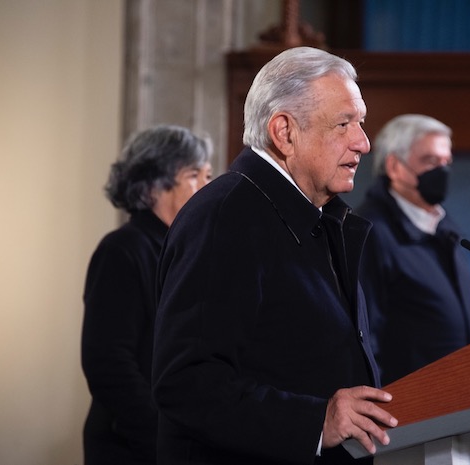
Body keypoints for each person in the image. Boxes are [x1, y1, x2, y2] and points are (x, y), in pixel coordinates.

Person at [152, 46, 398, 465]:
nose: (363, 141)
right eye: (344, 123)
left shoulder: (321, 214)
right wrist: (315, 421)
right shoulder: (225, 216)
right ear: (284, 132)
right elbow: (186, 382)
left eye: (360, 122)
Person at [81, 124, 213, 465]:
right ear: (157, 184)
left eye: (209, 175)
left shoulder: (185, 250)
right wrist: (163, 436)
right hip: (132, 447)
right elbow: (109, 364)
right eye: (196, 175)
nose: (208, 187)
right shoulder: (122, 250)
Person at [356, 114, 470, 386]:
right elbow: (365, 332)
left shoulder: (444, 228)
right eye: (431, 161)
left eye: (446, 162)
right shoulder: (370, 232)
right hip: (408, 405)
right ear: (395, 167)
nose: (442, 171)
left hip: (461, 395)